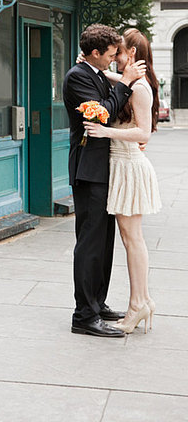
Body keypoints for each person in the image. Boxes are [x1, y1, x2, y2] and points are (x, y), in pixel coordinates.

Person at [63, 24, 146, 338]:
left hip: (103, 168)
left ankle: (97, 303)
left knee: (104, 242)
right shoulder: (78, 76)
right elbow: (100, 116)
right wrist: (125, 82)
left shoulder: (95, 72)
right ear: (95, 53)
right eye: (110, 55)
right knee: (89, 244)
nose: (114, 60)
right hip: (88, 170)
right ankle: (84, 315)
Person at [84, 28, 161, 334]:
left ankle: (138, 304)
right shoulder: (131, 82)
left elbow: (144, 133)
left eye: (119, 52)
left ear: (132, 55)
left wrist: (107, 131)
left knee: (133, 240)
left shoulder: (140, 89)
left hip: (129, 167)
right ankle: (142, 300)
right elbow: (116, 80)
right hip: (122, 166)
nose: (114, 57)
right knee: (131, 240)